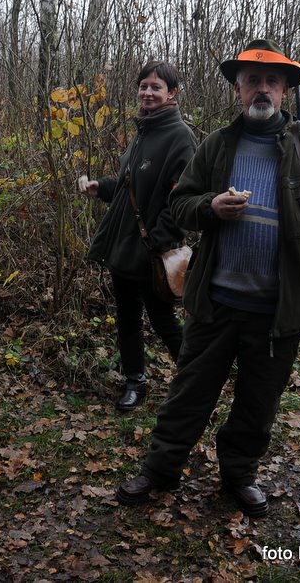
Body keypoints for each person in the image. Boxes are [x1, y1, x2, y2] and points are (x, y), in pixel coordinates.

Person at [114, 40, 300, 517]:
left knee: (257, 404)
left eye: (271, 81)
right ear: (238, 90)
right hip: (216, 302)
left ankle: (238, 476)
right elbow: (180, 203)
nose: (262, 89)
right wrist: (209, 206)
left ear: (284, 91)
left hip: (276, 310)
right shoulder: (218, 145)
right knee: (188, 393)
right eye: (252, 81)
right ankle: (162, 469)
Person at [82, 61, 196, 412]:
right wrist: (102, 187)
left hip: (151, 251)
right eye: (144, 86)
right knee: (127, 318)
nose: (148, 92)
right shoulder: (143, 130)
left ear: (172, 93)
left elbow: (182, 199)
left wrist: (157, 241)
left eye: (156, 87)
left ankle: (196, 382)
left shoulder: (180, 137)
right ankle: (135, 381)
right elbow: (131, 187)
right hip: (124, 247)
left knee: (163, 320)